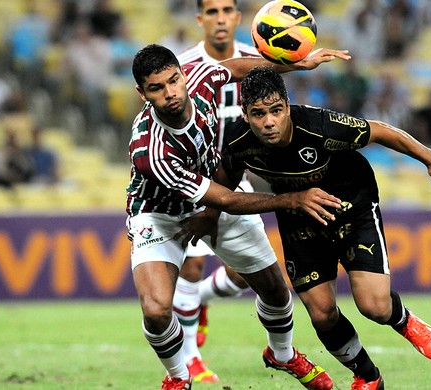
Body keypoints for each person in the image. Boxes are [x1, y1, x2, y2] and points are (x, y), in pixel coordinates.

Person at [213, 67, 431, 389]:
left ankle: (403, 320)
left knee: (374, 306)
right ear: (245, 113)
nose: (268, 122)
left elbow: (381, 131)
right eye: (258, 113)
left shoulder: (321, 126)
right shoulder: (238, 142)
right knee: (321, 313)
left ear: (288, 106)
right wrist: (204, 217)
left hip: (353, 207)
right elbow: (221, 192)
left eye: (276, 111)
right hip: (300, 217)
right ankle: (367, 375)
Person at [127, 44, 350, 390]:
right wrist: (292, 199)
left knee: (275, 291)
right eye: (157, 88)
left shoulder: (200, 78)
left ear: (183, 74)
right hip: (160, 216)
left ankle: (283, 354)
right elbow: (228, 200)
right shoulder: (151, 150)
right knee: (156, 310)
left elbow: (237, 68)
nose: (171, 93)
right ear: (142, 93)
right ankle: (178, 377)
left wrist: (296, 64)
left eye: (174, 80)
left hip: (214, 192)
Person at [171, 1, 263, 382]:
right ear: (200, 20)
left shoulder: (258, 63)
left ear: (238, 18)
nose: (220, 18)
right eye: (212, 11)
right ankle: (191, 358)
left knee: (250, 274)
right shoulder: (182, 67)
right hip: (194, 179)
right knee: (191, 264)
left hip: (238, 179)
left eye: (227, 10)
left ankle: (203, 299)